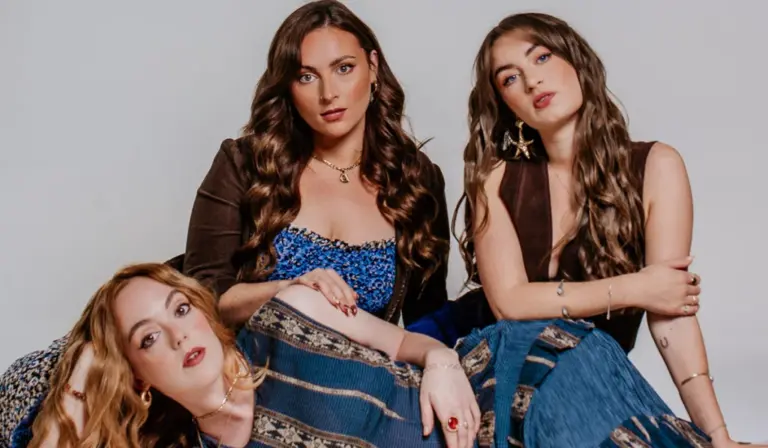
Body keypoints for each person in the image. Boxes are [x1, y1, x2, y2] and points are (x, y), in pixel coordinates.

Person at [411, 11, 747, 448]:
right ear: (505, 103)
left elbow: (670, 312)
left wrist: (719, 436)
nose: (532, 81)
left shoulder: (656, 167)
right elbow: (510, 302)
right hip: (478, 351)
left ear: (577, 60)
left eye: (542, 58)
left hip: (582, 374)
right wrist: (635, 288)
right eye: (510, 78)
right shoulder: (495, 177)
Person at [2, 262, 721, 448]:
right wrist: (82, 372)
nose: (179, 334)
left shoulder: (290, 312)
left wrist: (441, 363)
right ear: (137, 379)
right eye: (148, 338)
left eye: (180, 309)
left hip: (504, 382)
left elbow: (409, 342)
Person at [179, 0, 450, 329]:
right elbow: (201, 298)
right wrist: (287, 292)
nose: (328, 93)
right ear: (288, 88)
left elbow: (430, 320)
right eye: (307, 77)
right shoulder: (245, 164)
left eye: (344, 68)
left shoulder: (417, 178)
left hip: (371, 363)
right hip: (254, 361)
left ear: (373, 67)